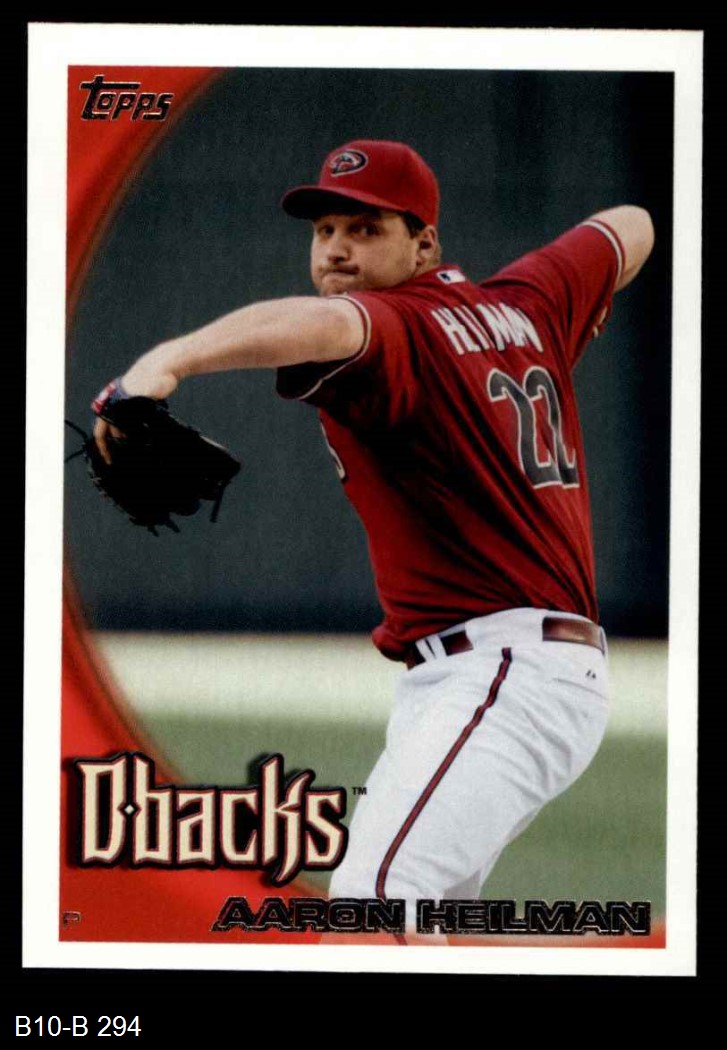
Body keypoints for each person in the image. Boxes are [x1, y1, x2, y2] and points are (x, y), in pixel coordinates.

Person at [93, 139, 654, 938]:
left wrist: (166, 362)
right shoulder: (530, 302)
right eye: (324, 230)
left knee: (373, 902)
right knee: (417, 922)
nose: (336, 250)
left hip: (505, 674)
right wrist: (532, 294)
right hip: (493, 676)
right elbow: (629, 224)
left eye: (365, 229)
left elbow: (324, 322)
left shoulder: (400, 322)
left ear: (424, 244)